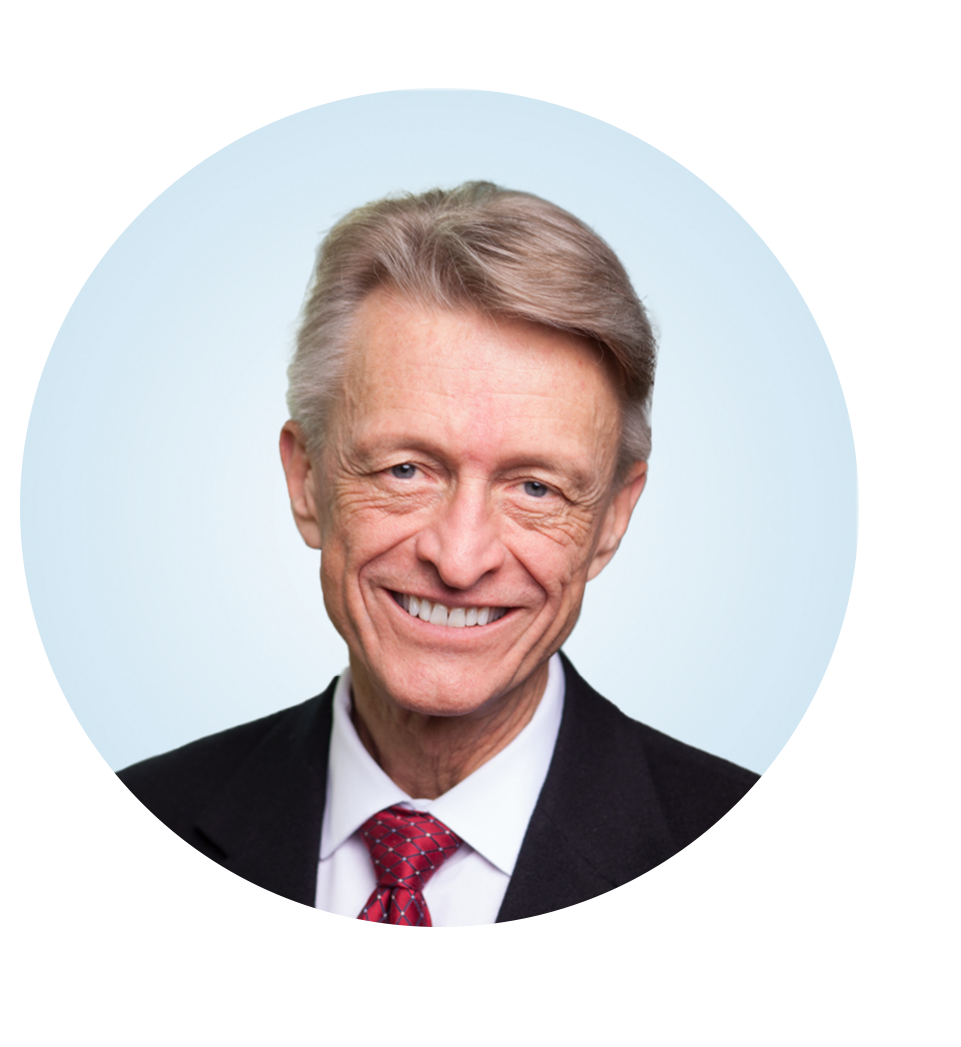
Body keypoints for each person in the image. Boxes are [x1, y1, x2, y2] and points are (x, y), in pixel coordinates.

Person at [115, 181, 783, 927]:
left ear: (612, 520)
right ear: (306, 482)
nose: (461, 562)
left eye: (535, 488)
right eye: (405, 470)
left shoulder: (767, 867)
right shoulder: (126, 833)